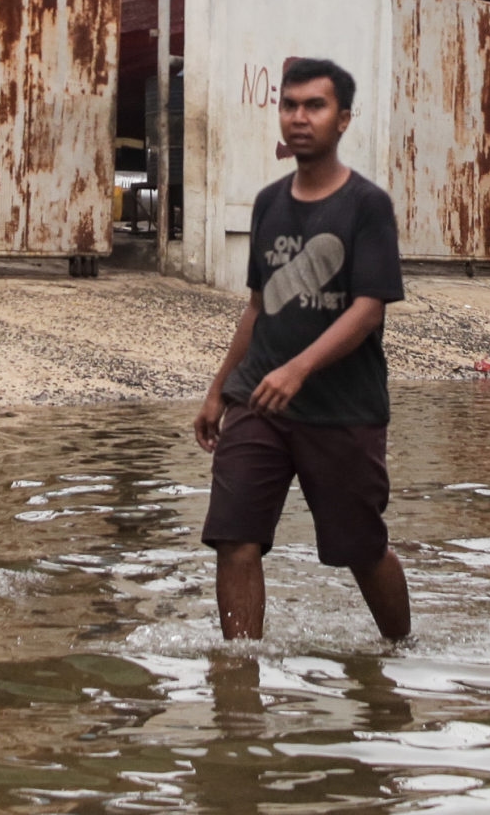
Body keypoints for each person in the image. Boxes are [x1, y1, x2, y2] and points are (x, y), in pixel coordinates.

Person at [194, 56, 411, 643]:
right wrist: (219, 391)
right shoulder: (268, 203)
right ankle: (239, 680)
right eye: (289, 105)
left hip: (343, 409)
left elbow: (369, 308)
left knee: (360, 549)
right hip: (257, 399)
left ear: (343, 119)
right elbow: (259, 305)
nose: (299, 117)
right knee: (235, 538)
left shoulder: (367, 206)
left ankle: (400, 651)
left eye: (314, 106)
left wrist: (300, 368)